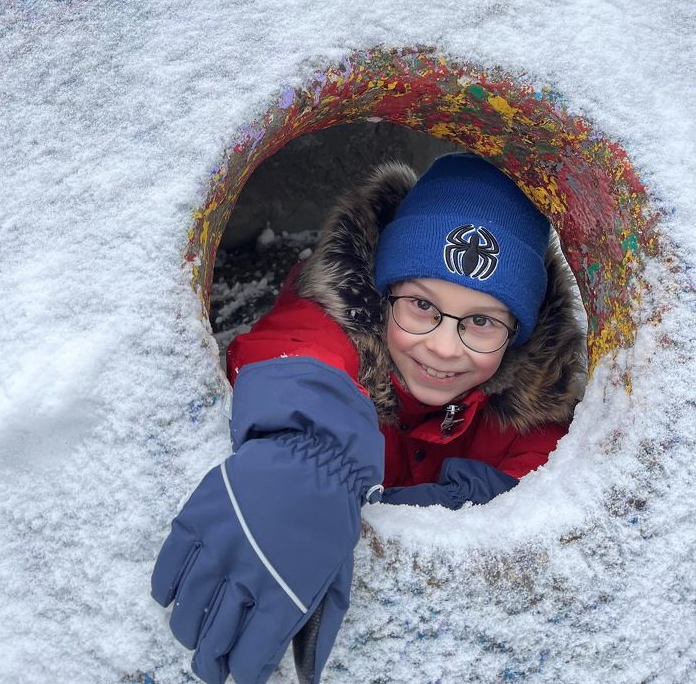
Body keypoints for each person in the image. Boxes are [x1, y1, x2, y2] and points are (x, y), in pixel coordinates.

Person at [151, 154, 585, 684]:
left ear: (519, 334)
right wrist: (313, 458)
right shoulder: (335, 326)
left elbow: (545, 472)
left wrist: (412, 504)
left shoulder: (532, 403)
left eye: (481, 321)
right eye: (422, 306)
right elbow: (296, 349)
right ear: (382, 296)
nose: (445, 347)